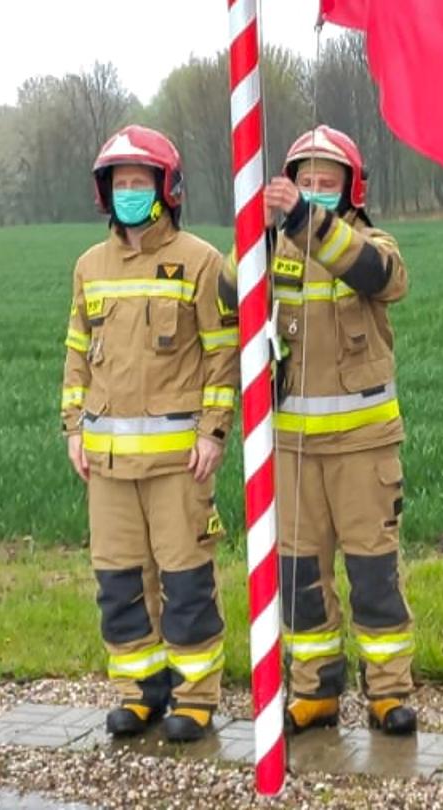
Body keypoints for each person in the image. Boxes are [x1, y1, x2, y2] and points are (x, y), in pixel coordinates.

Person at [60, 124, 239, 743]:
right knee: (119, 585)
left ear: (167, 188)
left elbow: (223, 354)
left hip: (177, 466)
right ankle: (139, 692)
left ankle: (195, 698)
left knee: (187, 583)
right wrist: (72, 429)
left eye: (140, 182)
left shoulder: (201, 261)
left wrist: (214, 432)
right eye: (119, 183)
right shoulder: (89, 267)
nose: (129, 192)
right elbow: (77, 353)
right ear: (103, 192)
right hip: (107, 466)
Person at [262, 126, 419, 736]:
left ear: (353, 190)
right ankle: (314, 690)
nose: (316, 190)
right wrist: (257, 231)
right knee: (301, 579)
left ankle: (388, 693)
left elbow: (378, 275)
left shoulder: (373, 244)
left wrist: (308, 222)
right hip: (294, 451)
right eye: (305, 181)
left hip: (363, 450)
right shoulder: (272, 251)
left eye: (329, 182)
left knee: (374, 577)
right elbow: (227, 291)